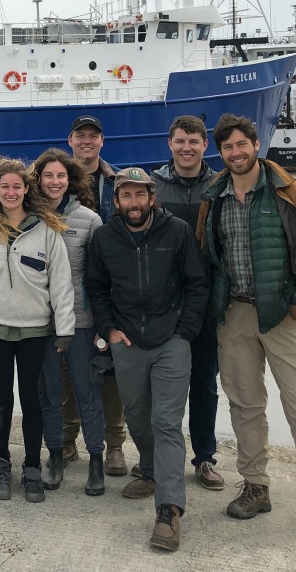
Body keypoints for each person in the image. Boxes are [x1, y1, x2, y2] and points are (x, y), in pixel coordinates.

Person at [197, 113, 296, 545]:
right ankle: (255, 486)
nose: (236, 153)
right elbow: (205, 254)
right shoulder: (213, 198)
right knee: (245, 404)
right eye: (228, 147)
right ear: (221, 152)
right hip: (235, 315)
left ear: (256, 144)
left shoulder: (293, 192)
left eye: (242, 145)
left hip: (284, 315)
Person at [86, 167, 210, 551]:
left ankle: (169, 511)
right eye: (126, 196)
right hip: (127, 341)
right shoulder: (105, 239)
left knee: (167, 422)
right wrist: (109, 329)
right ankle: (153, 470)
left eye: (140, 195)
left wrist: (185, 331)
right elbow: (96, 287)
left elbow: (197, 283)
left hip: (171, 340)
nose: (134, 203)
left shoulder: (176, 232)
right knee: (138, 416)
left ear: (152, 197)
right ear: (117, 200)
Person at [0, 159, 75, 503]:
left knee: (32, 401)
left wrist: (64, 328)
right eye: (4, 186)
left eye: (17, 186)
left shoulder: (48, 231)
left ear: (27, 190)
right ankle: (1, 464)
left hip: (35, 332)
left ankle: (33, 467)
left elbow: (61, 285)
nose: (10, 192)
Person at [151, 115, 225, 491]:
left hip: (207, 301)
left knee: (203, 383)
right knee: (159, 388)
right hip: (161, 302)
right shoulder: (153, 184)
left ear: (204, 144)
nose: (187, 148)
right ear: (170, 143)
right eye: (180, 140)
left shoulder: (219, 184)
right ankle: (154, 462)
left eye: (194, 141)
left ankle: (205, 457)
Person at [33, 148, 106, 496]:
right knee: (48, 393)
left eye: (61, 175)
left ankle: (96, 460)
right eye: (48, 175)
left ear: (70, 180)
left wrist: (102, 326)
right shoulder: (29, 217)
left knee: (86, 391)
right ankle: (55, 455)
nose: (54, 181)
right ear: (39, 179)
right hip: (41, 322)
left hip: (80, 320)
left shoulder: (90, 221)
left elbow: (100, 276)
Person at [65, 114, 129, 476]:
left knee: (111, 371)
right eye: (80, 135)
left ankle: (115, 445)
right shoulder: (55, 182)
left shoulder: (117, 180)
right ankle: (68, 438)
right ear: (70, 140)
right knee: (66, 369)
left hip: (110, 291)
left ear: (102, 142)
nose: (87, 141)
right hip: (67, 294)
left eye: (94, 135)